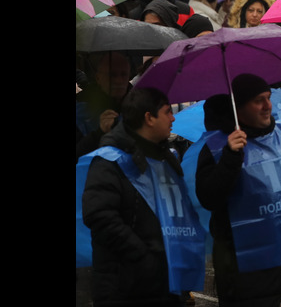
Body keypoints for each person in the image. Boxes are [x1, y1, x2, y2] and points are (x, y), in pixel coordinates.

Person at [194, 74, 281, 307]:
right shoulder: (218, 148)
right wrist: (230, 159)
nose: (268, 106)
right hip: (247, 275)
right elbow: (208, 197)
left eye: (268, 98)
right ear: (239, 108)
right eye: (258, 101)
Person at [81, 87, 206, 306]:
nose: (173, 117)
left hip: (165, 285)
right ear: (149, 118)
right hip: (125, 289)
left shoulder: (165, 158)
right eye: (167, 112)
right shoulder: (109, 161)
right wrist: (144, 257)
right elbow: (99, 215)